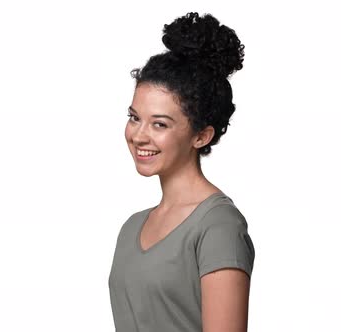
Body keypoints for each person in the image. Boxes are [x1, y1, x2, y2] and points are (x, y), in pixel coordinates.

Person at [108, 12, 255, 332]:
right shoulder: (131, 228)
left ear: (202, 135)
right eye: (135, 117)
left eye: (159, 124)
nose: (139, 135)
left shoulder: (218, 226)